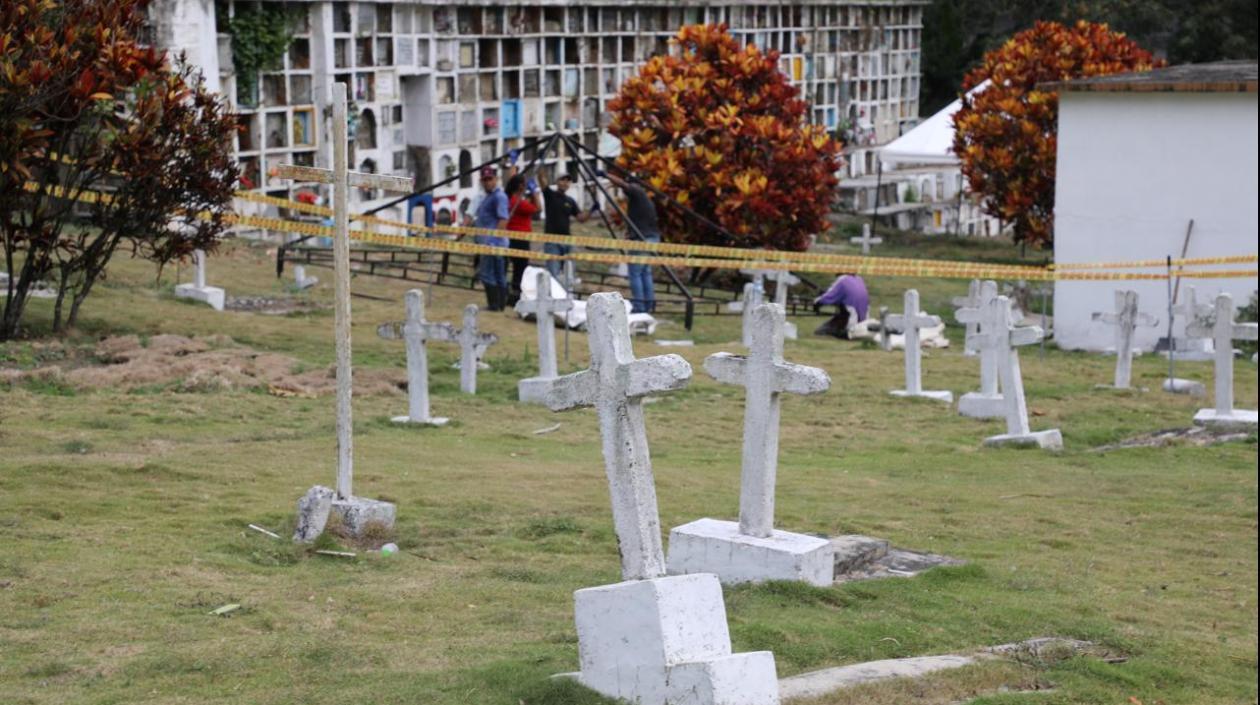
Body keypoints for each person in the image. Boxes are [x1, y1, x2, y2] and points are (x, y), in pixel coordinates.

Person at [606, 170, 661, 313]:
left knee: (635, 272)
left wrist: (606, 175)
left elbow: (624, 185)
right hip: (651, 237)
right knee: (645, 272)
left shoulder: (637, 191)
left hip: (642, 239)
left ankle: (639, 306)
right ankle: (648, 304)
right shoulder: (643, 198)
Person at [538, 172, 590, 281]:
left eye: (567, 180)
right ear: (557, 182)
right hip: (552, 241)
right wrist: (541, 167)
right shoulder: (549, 195)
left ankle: (567, 295)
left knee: (569, 273)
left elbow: (580, 218)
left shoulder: (570, 201)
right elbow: (541, 178)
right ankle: (553, 296)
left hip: (567, 240)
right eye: (562, 180)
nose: (565, 183)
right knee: (553, 273)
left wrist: (592, 210)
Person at [472, 167, 510, 311]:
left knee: (488, 274)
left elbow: (503, 220)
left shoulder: (498, 197)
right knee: (497, 275)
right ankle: (498, 305)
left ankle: (495, 305)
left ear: (496, 179)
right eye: (485, 180)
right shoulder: (488, 197)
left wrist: (493, 240)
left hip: (494, 243)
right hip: (490, 243)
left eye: (490, 179)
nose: (487, 182)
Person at [504, 173, 541, 306]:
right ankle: (515, 295)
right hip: (520, 239)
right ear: (520, 186)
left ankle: (512, 293)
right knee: (520, 268)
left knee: (515, 268)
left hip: (512, 237)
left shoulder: (511, 200)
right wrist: (535, 192)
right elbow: (538, 209)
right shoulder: (518, 202)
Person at [812, 273, 870, 339]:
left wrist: (817, 302)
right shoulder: (859, 279)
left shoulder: (842, 280)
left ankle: (845, 332)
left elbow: (829, 295)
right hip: (864, 323)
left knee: (820, 331)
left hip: (850, 322)